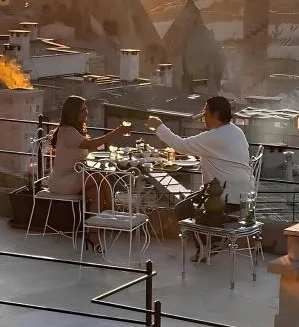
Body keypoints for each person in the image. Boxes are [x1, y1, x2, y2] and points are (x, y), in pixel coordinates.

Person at [147, 96, 255, 260]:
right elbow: (223, 157)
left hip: (225, 197)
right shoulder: (235, 131)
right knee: (190, 202)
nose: (203, 114)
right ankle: (212, 241)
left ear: (215, 114)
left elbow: (181, 145)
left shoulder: (215, 137)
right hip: (244, 195)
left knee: (182, 210)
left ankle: (211, 243)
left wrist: (159, 126)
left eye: (206, 111)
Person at [45, 95, 130, 251]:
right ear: (73, 113)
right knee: (99, 177)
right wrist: (116, 132)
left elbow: (89, 149)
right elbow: (91, 144)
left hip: (72, 177)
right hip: (61, 181)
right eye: (83, 110)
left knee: (96, 192)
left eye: (86, 109)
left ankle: (93, 234)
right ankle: (113, 212)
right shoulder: (67, 131)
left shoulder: (75, 131)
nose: (86, 112)